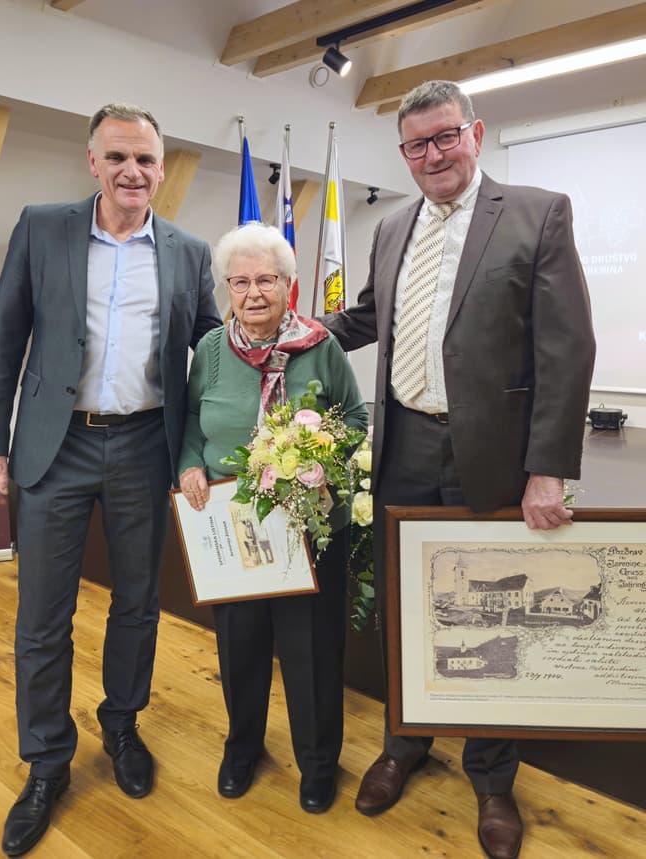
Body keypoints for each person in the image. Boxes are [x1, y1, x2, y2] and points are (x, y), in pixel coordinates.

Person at [322, 80, 595, 859]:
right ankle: (405, 743)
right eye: (417, 143)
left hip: (491, 457)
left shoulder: (538, 212)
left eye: (445, 137)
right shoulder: (390, 224)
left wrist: (548, 469)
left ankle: (492, 776)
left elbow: (567, 347)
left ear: (475, 133)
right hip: (400, 443)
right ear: (403, 152)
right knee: (408, 609)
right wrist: (306, 330)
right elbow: (370, 315)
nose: (433, 154)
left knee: (488, 616)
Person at [0, 102, 222, 857]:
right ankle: (46, 761)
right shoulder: (43, 228)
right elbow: (4, 339)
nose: (132, 171)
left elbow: (208, 352)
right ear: (92, 163)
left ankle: (121, 724)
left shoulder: (188, 250)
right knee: (42, 618)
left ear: (161, 163)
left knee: (139, 605)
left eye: (145, 158)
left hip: (147, 445)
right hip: (56, 448)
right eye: (117, 157)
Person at [178, 222, 368, 814]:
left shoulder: (321, 347)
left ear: (288, 285)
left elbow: (357, 423)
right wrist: (188, 465)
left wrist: (314, 462)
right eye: (240, 281)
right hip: (233, 527)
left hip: (309, 526)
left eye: (266, 280)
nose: (253, 292)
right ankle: (242, 749)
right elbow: (189, 425)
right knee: (240, 645)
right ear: (226, 288)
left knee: (311, 648)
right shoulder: (210, 351)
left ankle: (317, 763)